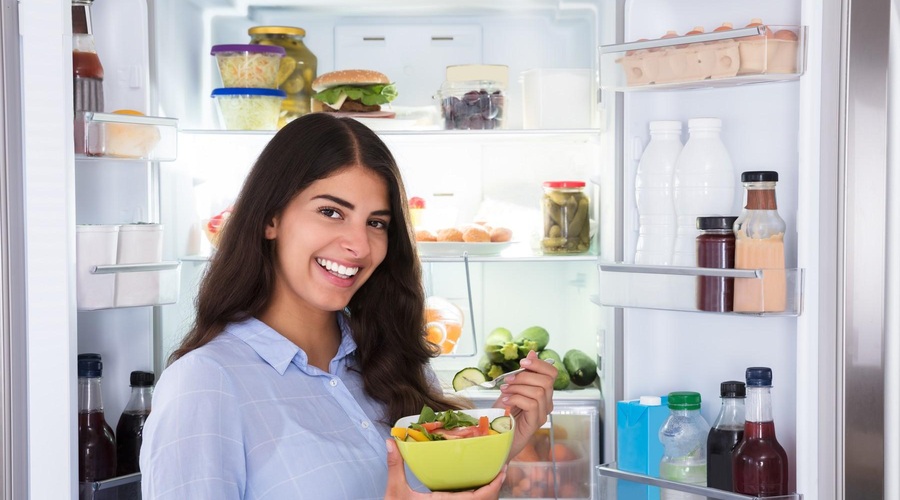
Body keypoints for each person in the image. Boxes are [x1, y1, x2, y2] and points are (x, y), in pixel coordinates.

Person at [140, 113, 557, 499]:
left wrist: (498, 441)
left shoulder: (395, 360)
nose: (359, 245)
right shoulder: (204, 384)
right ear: (271, 218)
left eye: (376, 223)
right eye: (331, 212)